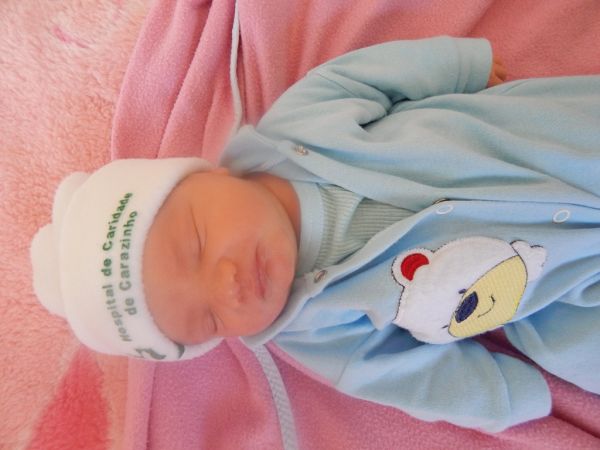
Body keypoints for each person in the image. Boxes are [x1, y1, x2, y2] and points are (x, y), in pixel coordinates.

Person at [31, 36, 600, 431]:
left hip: (536, 146)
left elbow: (365, 77)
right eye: (208, 320)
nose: (227, 286)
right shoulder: (314, 330)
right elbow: (400, 374)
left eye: (198, 244)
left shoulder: (300, 129)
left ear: (206, 176)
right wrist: (501, 397)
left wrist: (458, 64)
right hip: (554, 287)